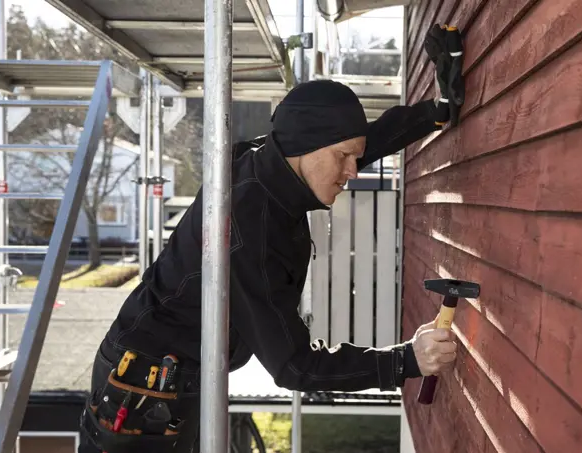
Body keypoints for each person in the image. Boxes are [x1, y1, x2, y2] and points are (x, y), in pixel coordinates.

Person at [79, 50, 460, 453]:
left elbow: (356, 142)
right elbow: (295, 367)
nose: (354, 171)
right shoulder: (248, 229)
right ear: (306, 148)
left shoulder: (273, 159)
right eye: (344, 158)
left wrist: (435, 112)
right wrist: (405, 361)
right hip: (143, 390)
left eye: (355, 157)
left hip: (170, 371)